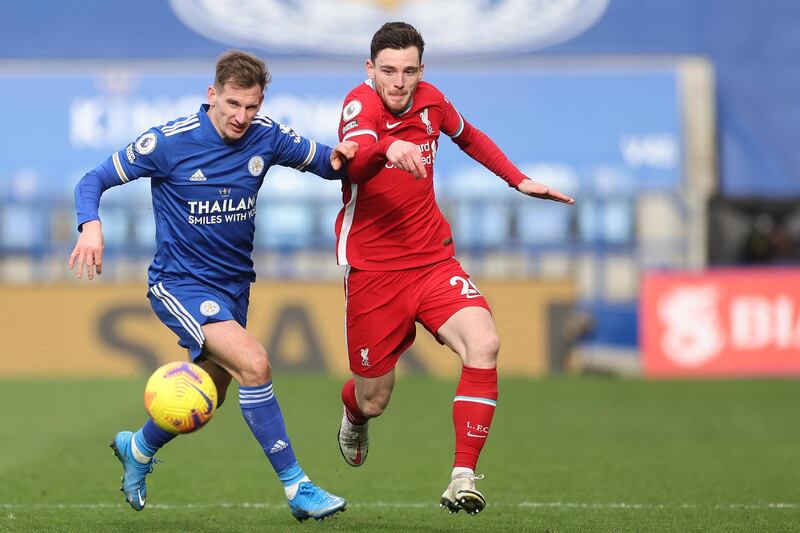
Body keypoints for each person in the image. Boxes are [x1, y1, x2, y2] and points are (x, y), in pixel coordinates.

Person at [69, 50, 355, 522]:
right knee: (256, 364)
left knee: (206, 395)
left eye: (252, 107)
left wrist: (368, 149)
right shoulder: (168, 142)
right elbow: (92, 179)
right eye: (232, 105)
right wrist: (90, 225)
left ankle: (137, 448)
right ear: (212, 96)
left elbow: (332, 164)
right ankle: (297, 488)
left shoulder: (267, 137)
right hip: (179, 284)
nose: (242, 117)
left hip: (234, 287)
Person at [333, 22, 575, 516]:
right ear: (370, 69)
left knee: (484, 343)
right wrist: (385, 149)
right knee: (375, 396)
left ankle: (462, 475)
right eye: (388, 71)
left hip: (432, 261)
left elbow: (471, 137)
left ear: (421, 70)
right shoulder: (360, 105)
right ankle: (354, 412)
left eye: (408, 71)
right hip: (374, 272)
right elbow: (354, 164)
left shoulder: (432, 100)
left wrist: (518, 180)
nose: (398, 82)